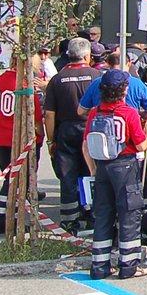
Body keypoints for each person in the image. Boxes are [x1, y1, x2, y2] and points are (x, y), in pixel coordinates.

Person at [81, 71, 147, 280]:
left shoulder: (94, 112)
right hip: (125, 166)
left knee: (102, 215)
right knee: (129, 214)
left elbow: (86, 145)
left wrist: (93, 169)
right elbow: (140, 145)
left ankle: (99, 265)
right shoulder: (128, 113)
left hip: (102, 166)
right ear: (124, 90)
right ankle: (129, 265)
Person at [43, 37, 102, 230]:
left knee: (68, 175)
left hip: (66, 130)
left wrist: (51, 140)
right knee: (92, 172)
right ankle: (93, 214)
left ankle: (69, 219)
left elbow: (49, 115)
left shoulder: (57, 79)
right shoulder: (96, 75)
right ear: (87, 55)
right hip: (91, 129)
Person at [0, 58, 44, 233]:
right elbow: (36, 119)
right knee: (19, 181)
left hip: (0, 138)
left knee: (10, 179)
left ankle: (4, 216)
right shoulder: (24, 86)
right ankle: (5, 218)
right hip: (20, 140)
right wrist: (41, 136)